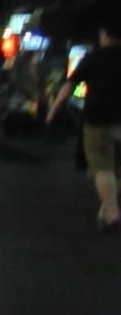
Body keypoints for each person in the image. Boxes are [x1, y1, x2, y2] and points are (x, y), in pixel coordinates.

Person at [48, 23, 121, 231]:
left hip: (98, 119)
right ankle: (105, 212)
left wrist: (53, 109)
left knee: (103, 167)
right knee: (117, 168)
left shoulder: (92, 58)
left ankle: (112, 214)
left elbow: (69, 85)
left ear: (105, 35)